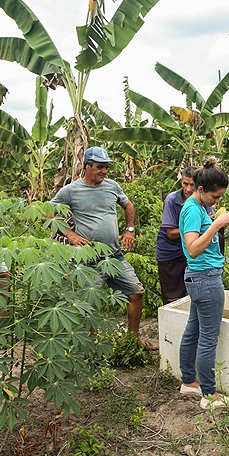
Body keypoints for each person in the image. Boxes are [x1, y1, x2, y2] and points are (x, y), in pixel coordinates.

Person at [50, 146, 156, 350]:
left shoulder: (112, 186)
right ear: (87, 166)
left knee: (136, 293)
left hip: (114, 255)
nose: (104, 171)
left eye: (106, 167)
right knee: (89, 303)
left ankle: (133, 340)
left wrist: (130, 229)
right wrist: (69, 234)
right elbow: (47, 212)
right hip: (89, 259)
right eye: (100, 167)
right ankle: (92, 346)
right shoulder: (71, 190)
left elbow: (128, 205)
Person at [177, 158, 229, 409]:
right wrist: (217, 224)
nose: (217, 201)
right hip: (205, 278)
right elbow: (192, 249)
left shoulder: (200, 207)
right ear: (200, 189)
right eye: (215, 196)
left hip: (200, 277)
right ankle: (209, 395)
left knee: (193, 330)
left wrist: (213, 217)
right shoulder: (192, 209)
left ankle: (189, 382)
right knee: (208, 337)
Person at [156, 167, 198, 304]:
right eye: (185, 184)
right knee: (172, 296)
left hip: (190, 251)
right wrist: (193, 228)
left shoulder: (202, 198)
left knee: (192, 292)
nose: (188, 188)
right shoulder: (172, 200)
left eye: (192, 185)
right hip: (170, 251)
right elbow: (170, 233)